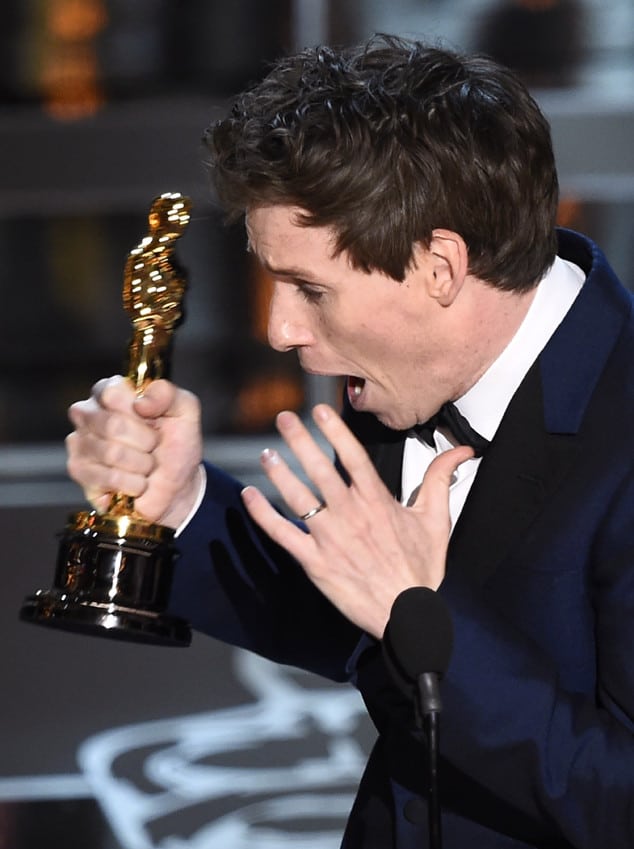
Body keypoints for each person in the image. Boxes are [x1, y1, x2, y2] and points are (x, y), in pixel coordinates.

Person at [65, 34, 634, 849]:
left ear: (439, 265)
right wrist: (182, 502)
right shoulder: (403, 379)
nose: (279, 329)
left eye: (309, 289)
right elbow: (349, 620)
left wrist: (424, 621)